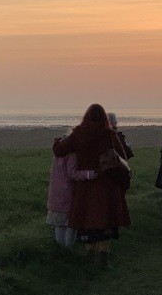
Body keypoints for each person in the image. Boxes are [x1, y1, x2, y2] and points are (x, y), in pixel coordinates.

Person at [53, 104, 131, 267]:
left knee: (87, 223)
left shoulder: (78, 134)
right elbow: (122, 157)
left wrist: (57, 141)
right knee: (107, 223)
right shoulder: (109, 134)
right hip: (107, 186)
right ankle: (103, 257)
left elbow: (59, 151)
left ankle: (89, 256)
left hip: (85, 187)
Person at [47, 151, 79, 248]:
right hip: (68, 193)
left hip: (55, 193)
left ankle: (59, 250)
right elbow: (73, 174)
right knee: (71, 224)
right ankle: (68, 250)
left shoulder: (58, 153)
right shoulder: (73, 154)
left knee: (59, 224)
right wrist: (89, 174)